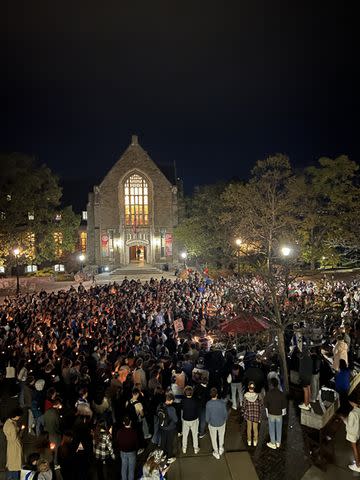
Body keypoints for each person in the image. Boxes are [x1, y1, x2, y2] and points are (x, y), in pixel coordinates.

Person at [264, 377, 287, 449]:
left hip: (271, 413)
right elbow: (284, 404)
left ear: (271, 385)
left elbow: (266, 404)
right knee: (279, 428)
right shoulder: (281, 394)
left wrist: (267, 413)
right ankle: (278, 442)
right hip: (279, 414)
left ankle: (273, 443)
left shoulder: (268, 393)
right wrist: (283, 413)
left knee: (271, 428)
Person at [205, 387, 228, 460]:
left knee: (213, 438)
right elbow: (225, 413)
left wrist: (208, 421)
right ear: (217, 394)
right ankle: (221, 447)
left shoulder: (208, 404)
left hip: (212, 424)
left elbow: (207, 415)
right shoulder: (222, 402)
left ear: (210, 395)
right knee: (221, 435)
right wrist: (224, 420)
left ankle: (216, 451)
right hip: (221, 422)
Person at [340, 391, 360, 472]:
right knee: (357, 446)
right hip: (358, 431)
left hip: (353, 434)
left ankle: (357, 466)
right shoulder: (359, 409)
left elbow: (349, 425)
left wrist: (343, 419)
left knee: (354, 448)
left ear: (351, 402)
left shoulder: (352, 413)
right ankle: (358, 461)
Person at [3, 407, 24, 480]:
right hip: (14, 446)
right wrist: (20, 431)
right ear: (15, 416)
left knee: (11, 465)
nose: (19, 417)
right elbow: (14, 438)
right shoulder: (11, 425)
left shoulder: (8, 422)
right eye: (19, 416)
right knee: (15, 466)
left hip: (11, 446)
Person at [116, 416, 139, 480]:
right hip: (132, 452)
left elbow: (118, 442)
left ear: (123, 423)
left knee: (123, 468)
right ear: (130, 422)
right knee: (131, 470)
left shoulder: (119, 431)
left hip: (122, 452)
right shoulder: (134, 432)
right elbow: (136, 443)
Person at [157, 392, 178, 462]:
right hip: (170, 428)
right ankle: (169, 457)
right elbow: (175, 419)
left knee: (163, 442)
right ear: (171, 400)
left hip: (162, 427)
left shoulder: (160, 405)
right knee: (169, 443)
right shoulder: (171, 409)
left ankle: (162, 456)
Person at [243, 382, 262, 447]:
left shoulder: (245, 396)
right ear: (254, 388)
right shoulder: (258, 396)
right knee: (255, 429)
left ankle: (249, 441)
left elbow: (244, 406)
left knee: (249, 428)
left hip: (249, 414)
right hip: (256, 414)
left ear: (248, 387)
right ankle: (255, 441)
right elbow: (260, 405)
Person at [181, 386, 199, 454]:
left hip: (185, 419)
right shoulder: (195, 400)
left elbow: (182, 409)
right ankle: (196, 449)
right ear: (192, 393)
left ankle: (184, 448)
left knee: (185, 435)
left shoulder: (183, 400)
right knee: (194, 435)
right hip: (194, 419)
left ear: (185, 393)